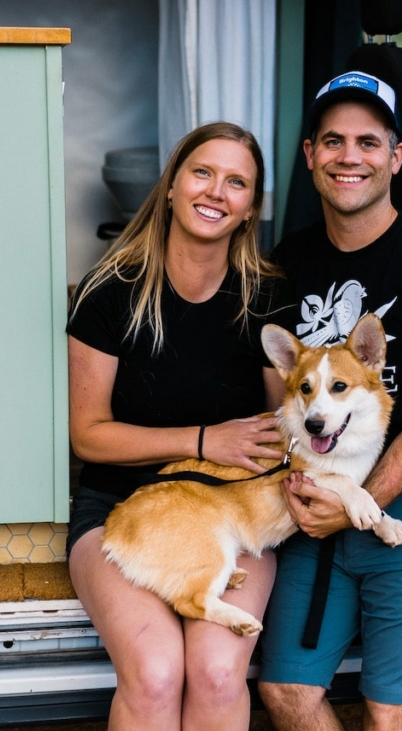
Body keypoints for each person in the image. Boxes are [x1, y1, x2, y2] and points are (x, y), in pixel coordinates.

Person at [257, 71, 402, 731]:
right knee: (284, 690)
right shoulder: (286, 263)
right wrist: (308, 491)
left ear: (396, 156)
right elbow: (279, 403)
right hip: (318, 495)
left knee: (390, 707)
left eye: (368, 141)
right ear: (309, 155)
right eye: (332, 141)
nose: (349, 156)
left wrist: (358, 504)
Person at [65, 121, 291, 731]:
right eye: (202, 172)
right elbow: (87, 434)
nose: (216, 191)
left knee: (219, 674)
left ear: (250, 209)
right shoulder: (110, 292)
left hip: (231, 513)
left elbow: (281, 430)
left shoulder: (265, 299)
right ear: (170, 186)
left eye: (237, 182)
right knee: (156, 672)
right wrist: (203, 440)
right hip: (122, 508)